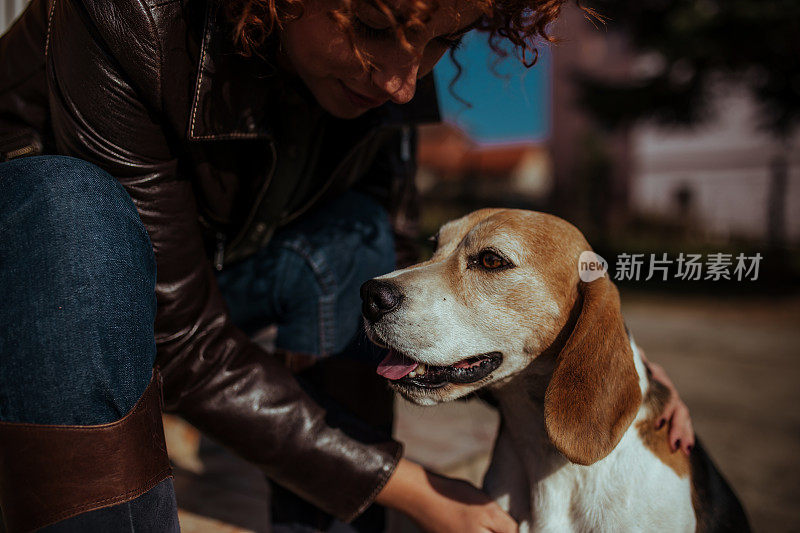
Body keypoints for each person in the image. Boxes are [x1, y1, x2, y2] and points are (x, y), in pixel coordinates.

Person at [0, 0, 694, 531]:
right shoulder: (129, 18)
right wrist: (409, 486)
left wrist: (606, 362)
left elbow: (401, 274)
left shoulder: (399, 63)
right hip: (50, 281)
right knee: (66, 208)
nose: (401, 82)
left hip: (212, 273)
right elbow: (177, 335)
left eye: (440, 43)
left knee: (353, 235)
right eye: (370, 24)